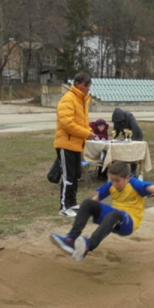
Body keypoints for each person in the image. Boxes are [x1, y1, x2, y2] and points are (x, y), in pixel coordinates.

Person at [50, 160, 154, 261]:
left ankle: (88, 245)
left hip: (129, 222)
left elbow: (152, 189)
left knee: (114, 214)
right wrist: (86, 211)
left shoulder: (135, 184)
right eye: (112, 180)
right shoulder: (111, 185)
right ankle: (70, 239)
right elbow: (95, 200)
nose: (114, 184)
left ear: (127, 177)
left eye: (118, 181)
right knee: (88, 203)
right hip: (112, 217)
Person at [54, 72, 95, 218]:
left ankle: (72, 203)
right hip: (66, 144)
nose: (88, 88)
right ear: (78, 84)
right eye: (86, 85)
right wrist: (86, 133)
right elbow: (68, 124)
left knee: (76, 175)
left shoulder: (82, 100)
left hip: (77, 145)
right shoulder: (68, 99)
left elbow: (81, 122)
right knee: (68, 176)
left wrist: (90, 131)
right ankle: (64, 207)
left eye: (89, 85)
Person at [111, 107, 143, 175]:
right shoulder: (116, 121)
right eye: (119, 122)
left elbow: (135, 128)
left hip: (136, 135)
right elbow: (116, 131)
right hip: (127, 136)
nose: (120, 123)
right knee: (125, 152)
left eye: (121, 122)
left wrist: (132, 140)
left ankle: (133, 172)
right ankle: (123, 170)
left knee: (133, 153)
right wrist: (113, 138)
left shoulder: (130, 116)